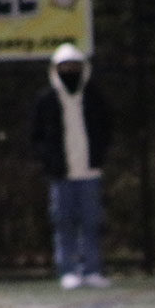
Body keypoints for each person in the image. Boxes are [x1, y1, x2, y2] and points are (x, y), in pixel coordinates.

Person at [31, 43, 113, 290]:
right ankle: (67, 270)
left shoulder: (94, 98)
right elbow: (36, 136)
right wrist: (50, 161)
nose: (70, 71)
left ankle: (92, 269)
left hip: (90, 172)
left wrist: (99, 155)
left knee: (91, 222)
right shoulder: (46, 100)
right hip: (61, 174)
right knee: (64, 222)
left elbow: (106, 129)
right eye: (64, 67)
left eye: (74, 66)